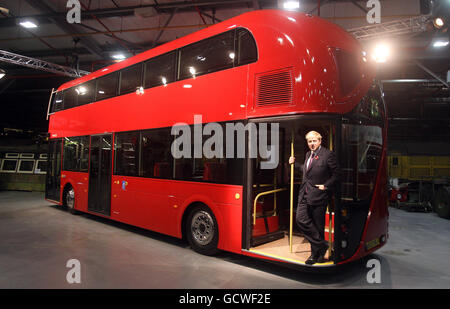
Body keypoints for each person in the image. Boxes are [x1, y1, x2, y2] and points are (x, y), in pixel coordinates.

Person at [289, 131, 338, 265]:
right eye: (309, 141)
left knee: (318, 226)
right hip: (304, 194)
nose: (312, 143)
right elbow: (307, 172)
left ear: (320, 141)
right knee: (300, 219)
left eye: (314, 141)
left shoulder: (328, 154)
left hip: (319, 196)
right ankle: (322, 245)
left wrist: (326, 186)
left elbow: (337, 174)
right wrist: (295, 164)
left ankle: (315, 255)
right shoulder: (307, 155)